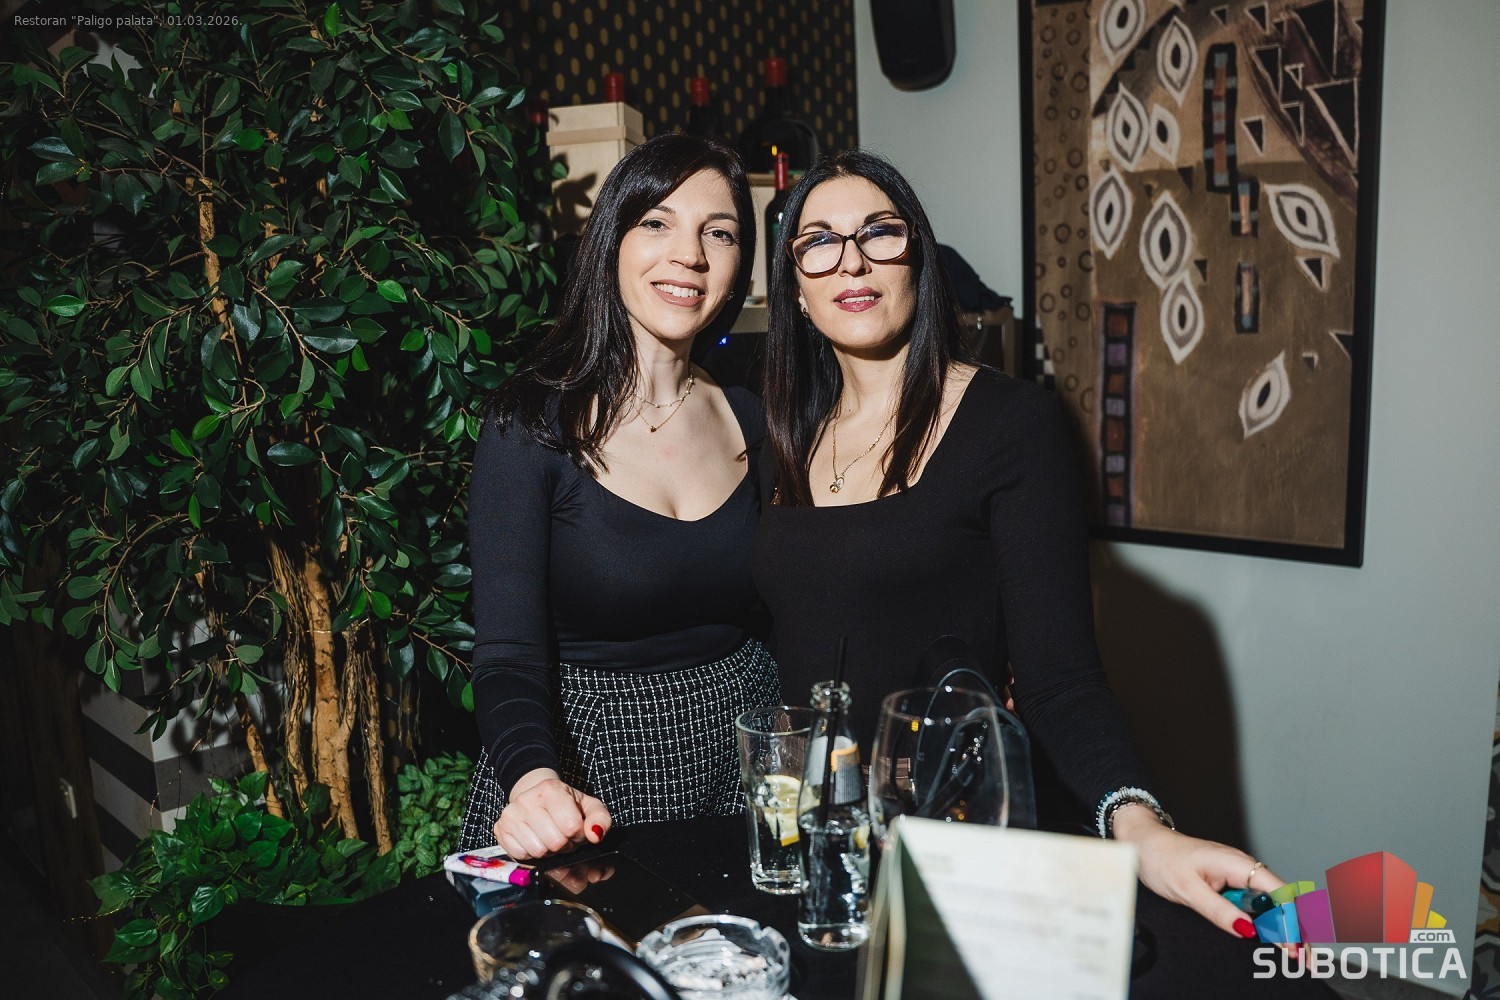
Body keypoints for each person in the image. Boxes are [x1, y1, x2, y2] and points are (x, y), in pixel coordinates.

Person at [753, 150, 1283, 938]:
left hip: (953, 839)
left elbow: (1060, 677)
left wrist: (1138, 824)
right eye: (819, 241)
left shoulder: (1010, 423)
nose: (852, 261)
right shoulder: (779, 437)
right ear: (795, 288)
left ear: (918, 258)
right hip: (815, 841)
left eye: (879, 233)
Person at [459, 133, 779, 860]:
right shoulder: (530, 425)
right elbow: (507, 655)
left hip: (742, 753)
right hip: (586, 761)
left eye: (719, 233)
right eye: (657, 222)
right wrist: (535, 781)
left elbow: (796, 607)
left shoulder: (754, 418)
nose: (689, 254)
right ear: (612, 243)